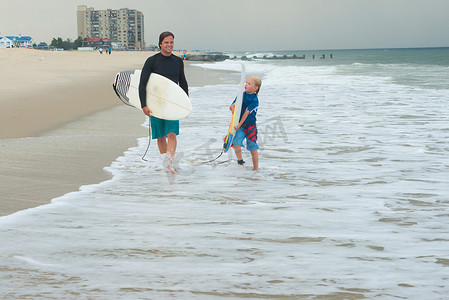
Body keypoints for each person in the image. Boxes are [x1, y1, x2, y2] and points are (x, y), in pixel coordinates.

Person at [138, 31, 188, 172]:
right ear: (160, 44)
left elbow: (183, 83)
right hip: (155, 103)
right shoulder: (152, 61)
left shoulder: (178, 61)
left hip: (172, 103)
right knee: (160, 136)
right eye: (166, 42)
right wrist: (143, 105)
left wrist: (185, 103)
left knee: (171, 134)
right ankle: (166, 162)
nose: (169, 45)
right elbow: (142, 84)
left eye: (171, 42)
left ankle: (169, 163)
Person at [229, 76, 262, 171]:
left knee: (252, 147)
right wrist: (232, 108)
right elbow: (232, 106)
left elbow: (247, 113)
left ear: (255, 88)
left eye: (249, 83)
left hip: (250, 126)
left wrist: (239, 124)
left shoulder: (254, 100)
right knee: (236, 143)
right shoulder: (241, 95)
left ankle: (256, 169)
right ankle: (240, 162)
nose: (246, 84)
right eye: (246, 82)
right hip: (240, 126)